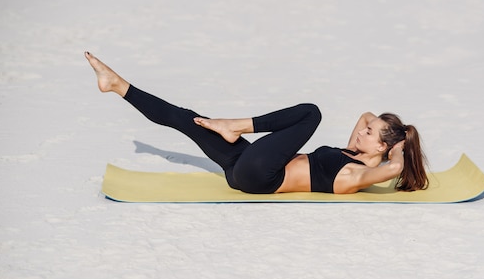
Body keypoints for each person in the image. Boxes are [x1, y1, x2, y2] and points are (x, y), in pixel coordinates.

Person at [85, 52, 428, 194]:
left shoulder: (360, 175)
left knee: (312, 113)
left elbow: (392, 168)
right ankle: (117, 85)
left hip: (264, 175)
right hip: (243, 169)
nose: (361, 128)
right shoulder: (355, 154)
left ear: (382, 147)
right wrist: (387, 131)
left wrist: (399, 146)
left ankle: (235, 125)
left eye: (369, 134)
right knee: (189, 119)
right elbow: (367, 115)